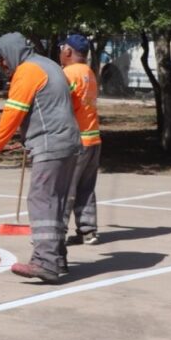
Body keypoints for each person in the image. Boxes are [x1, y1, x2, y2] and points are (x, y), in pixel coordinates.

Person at [0, 32, 81, 283]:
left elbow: (13, 112)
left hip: (51, 144)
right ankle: (58, 258)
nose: (2, 66)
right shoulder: (49, 64)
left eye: (2, 60)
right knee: (56, 202)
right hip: (69, 143)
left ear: (11, 53)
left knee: (41, 200)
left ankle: (45, 263)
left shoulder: (27, 71)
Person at [60, 33, 102, 246]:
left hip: (76, 140)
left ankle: (56, 233)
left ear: (68, 51)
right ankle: (88, 230)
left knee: (65, 188)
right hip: (93, 138)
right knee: (86, 187)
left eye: (61, 48)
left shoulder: (68, 73)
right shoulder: (89, 72)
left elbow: (58, 103)